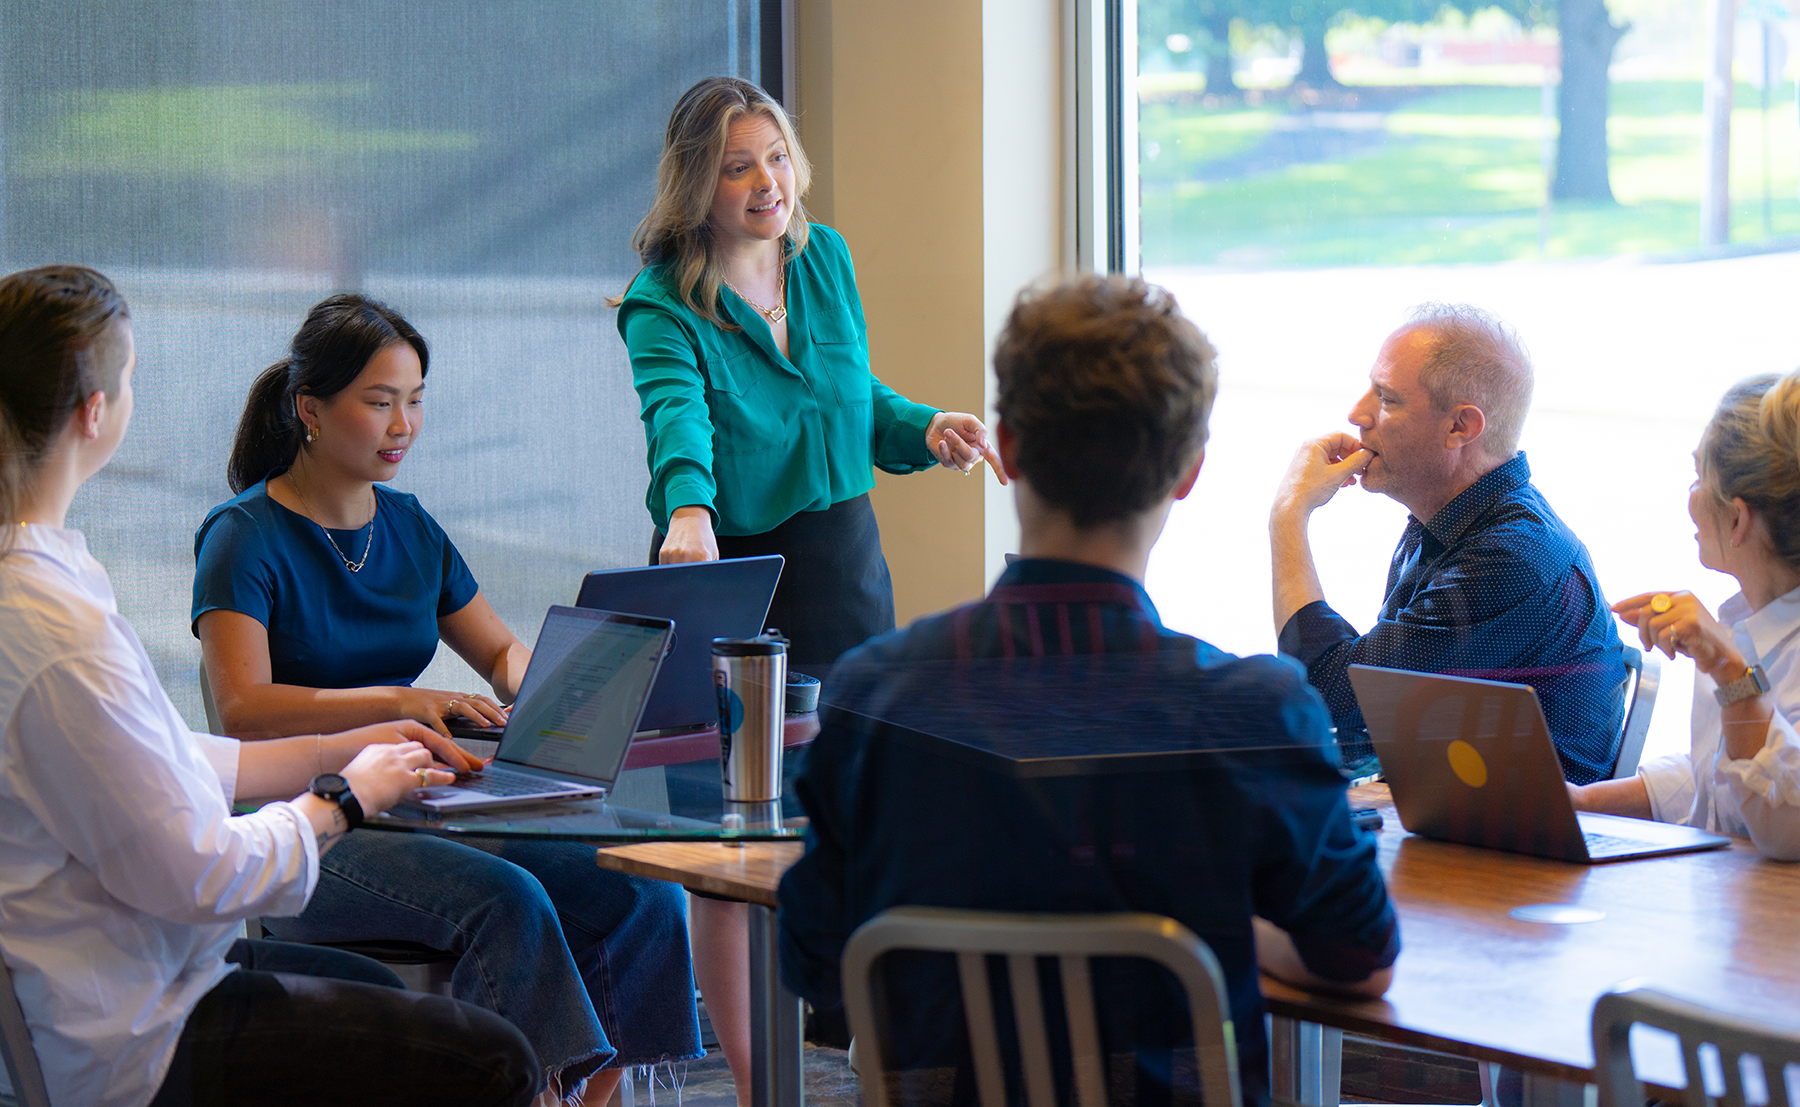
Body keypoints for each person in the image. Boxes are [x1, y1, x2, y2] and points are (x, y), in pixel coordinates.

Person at [778, 276, 1399, 1107]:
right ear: (1188, 473)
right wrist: (1207, 925)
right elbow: (1361, 955)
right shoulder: (1256, 708)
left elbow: (815, 954)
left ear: (1010, 448)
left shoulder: (872, 695)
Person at [0, 265, 538, 1107]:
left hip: (153, 971)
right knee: (490, 1059)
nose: (403, 423)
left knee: (387, 999)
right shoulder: (62, 623)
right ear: (94, 411)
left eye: (414, 398)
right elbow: (199, 871)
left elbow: (164, 755)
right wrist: (343, 799)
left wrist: (342, 751)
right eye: (132, 376)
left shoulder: (47, 584)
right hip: (139, 1028)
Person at [191, 294, 700, 1107]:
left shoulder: (411, 526)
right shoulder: (242, 535)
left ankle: (585, 1096)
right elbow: (242, 711)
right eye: (380, 401)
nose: (404, 424)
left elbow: (498, 651)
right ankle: (521, 1092)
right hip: (314, 823)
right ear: (310, 410)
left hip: (430, 804)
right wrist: (399, 699)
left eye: (416, 400)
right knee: (509, 899)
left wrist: (567, 692)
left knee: (641, 889)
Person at [613, 75, 1005, 1091]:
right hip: (736, 582)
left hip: (845, 570)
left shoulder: (823, 260)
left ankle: (865, 1054)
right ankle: (758, 1084)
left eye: (776, 157)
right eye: (737, 165)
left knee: (857, 819)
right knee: (731, 852)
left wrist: (922, 427)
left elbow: (847, 394)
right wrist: (688, 511)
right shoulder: (663, 303)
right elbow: (677, 420)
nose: (765, 182)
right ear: (697, 182)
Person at [1269, 303, 1628, 783]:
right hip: (1463, 820)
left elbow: (1331, 700)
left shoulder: (1510, 557)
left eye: (1386, 398)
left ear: (1461, 427)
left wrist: (1288, 516)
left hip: (1519, 850)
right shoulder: (1449, 522)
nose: (1357, 414)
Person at [1571, 373, 1800, 860]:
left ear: (1737, 519)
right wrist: (1584, 801)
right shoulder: (1748, 622)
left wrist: (1731, 671)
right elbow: (1718, 778)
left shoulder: (1739, 653)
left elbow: (1786, 827)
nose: (1690, 497)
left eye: (1699, 479)